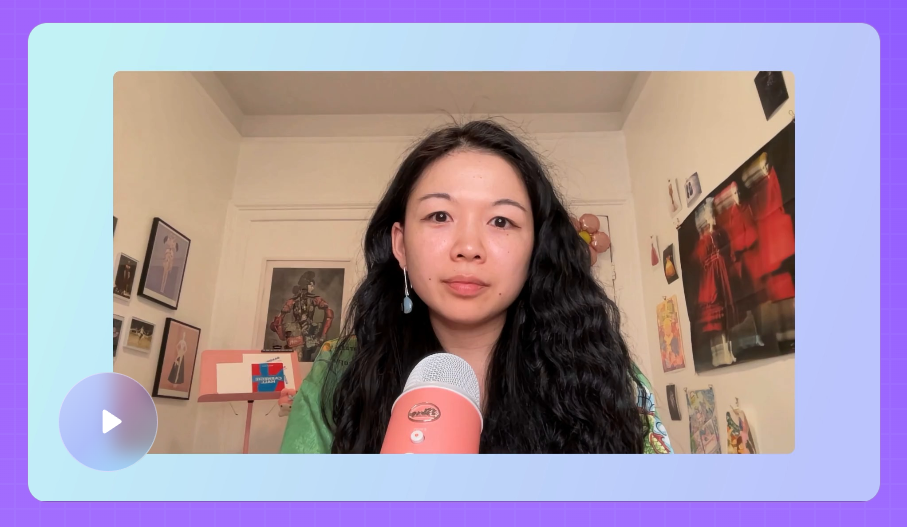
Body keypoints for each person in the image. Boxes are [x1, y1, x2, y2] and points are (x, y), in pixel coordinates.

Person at [280, 120, 673, 454]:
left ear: (535, 247)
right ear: (400, 245)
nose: (468, 247)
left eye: (501, 221)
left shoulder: (603, 375)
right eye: (439, 216)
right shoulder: (338, 374)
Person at [269, 271, 335, 362]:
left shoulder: (313, 299)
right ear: (306, 285)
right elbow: (278, 320)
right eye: (311, 285)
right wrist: (280, 330)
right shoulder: (294, 300)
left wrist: (323, 334)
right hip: (297, 332)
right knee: (297, 357)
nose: (313, 288)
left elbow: (329, 313)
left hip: (309, 331)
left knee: (306, 356)